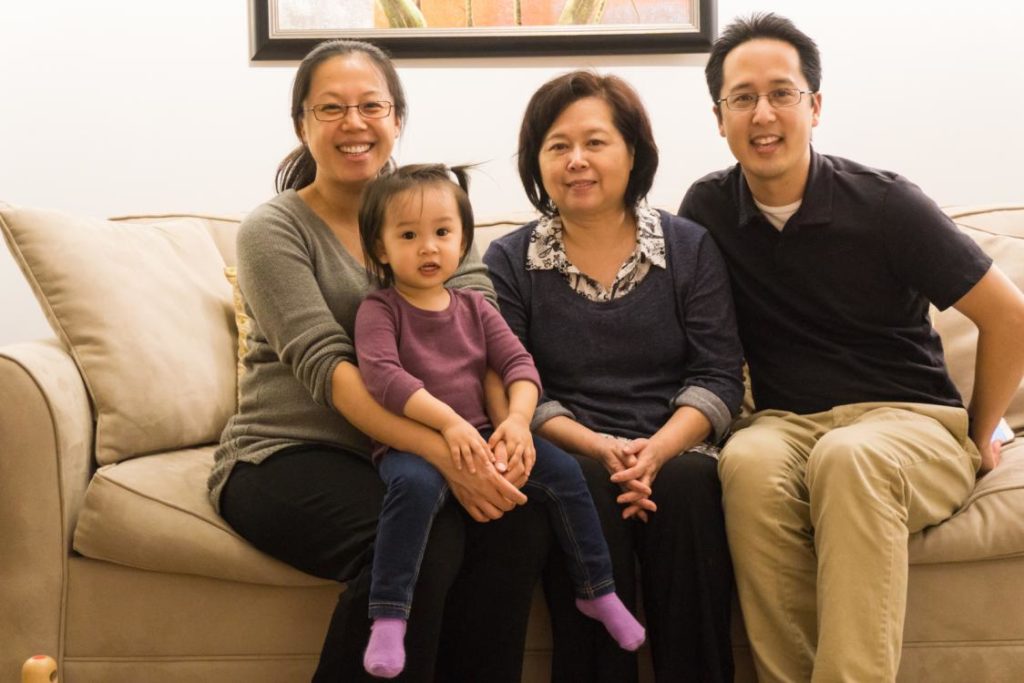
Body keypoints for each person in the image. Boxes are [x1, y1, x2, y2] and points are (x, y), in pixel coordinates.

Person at [679, 13, 1024, 682]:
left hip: (908, 420)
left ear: (815, 106)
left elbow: (1008, 315)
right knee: (744, 463)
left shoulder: (887, 204)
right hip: (784, 423)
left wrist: (980, 431)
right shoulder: (709, 210)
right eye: (742, 98)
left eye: (781, 93)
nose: (763, 113)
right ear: (719, 119)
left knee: (848, 457)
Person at [207, 40, 550, 683]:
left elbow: (486, 341)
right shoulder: (273, 230)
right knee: (424, 539)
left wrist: (506, 434)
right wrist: (448, 454)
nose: (354, 123)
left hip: (404, 454)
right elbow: (333, 371)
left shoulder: (432, 214)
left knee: (517, 522)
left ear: (397, 118)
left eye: (371, 105)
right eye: (330, 108)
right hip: (289, 454)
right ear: (302, 124)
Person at [485, 70, 745, 682]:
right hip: (569, 447)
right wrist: (601, 448)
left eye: (595, 142)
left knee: (687, 487)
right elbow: (515, 383)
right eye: (557, 146)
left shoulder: (689, 247)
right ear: (537, 162)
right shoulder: (509, 261)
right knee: (580, 486)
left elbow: (718, 375)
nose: (576, 160)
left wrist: (655, 451)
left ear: (633, 152)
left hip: (676, 445)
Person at [354, 163, 645, 678]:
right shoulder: (379, 310)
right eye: (409, 235)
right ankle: (390, 617)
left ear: (463, 240)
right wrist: (449, 424)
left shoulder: (475, 307)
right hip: (413, 445)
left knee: (567, 474)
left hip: (487, 435)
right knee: (414, 491)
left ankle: (597, 591)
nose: (428, 248)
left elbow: (520, 366)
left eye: (442, 232)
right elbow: (383, 378)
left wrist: (516, 422)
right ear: (380, 248)